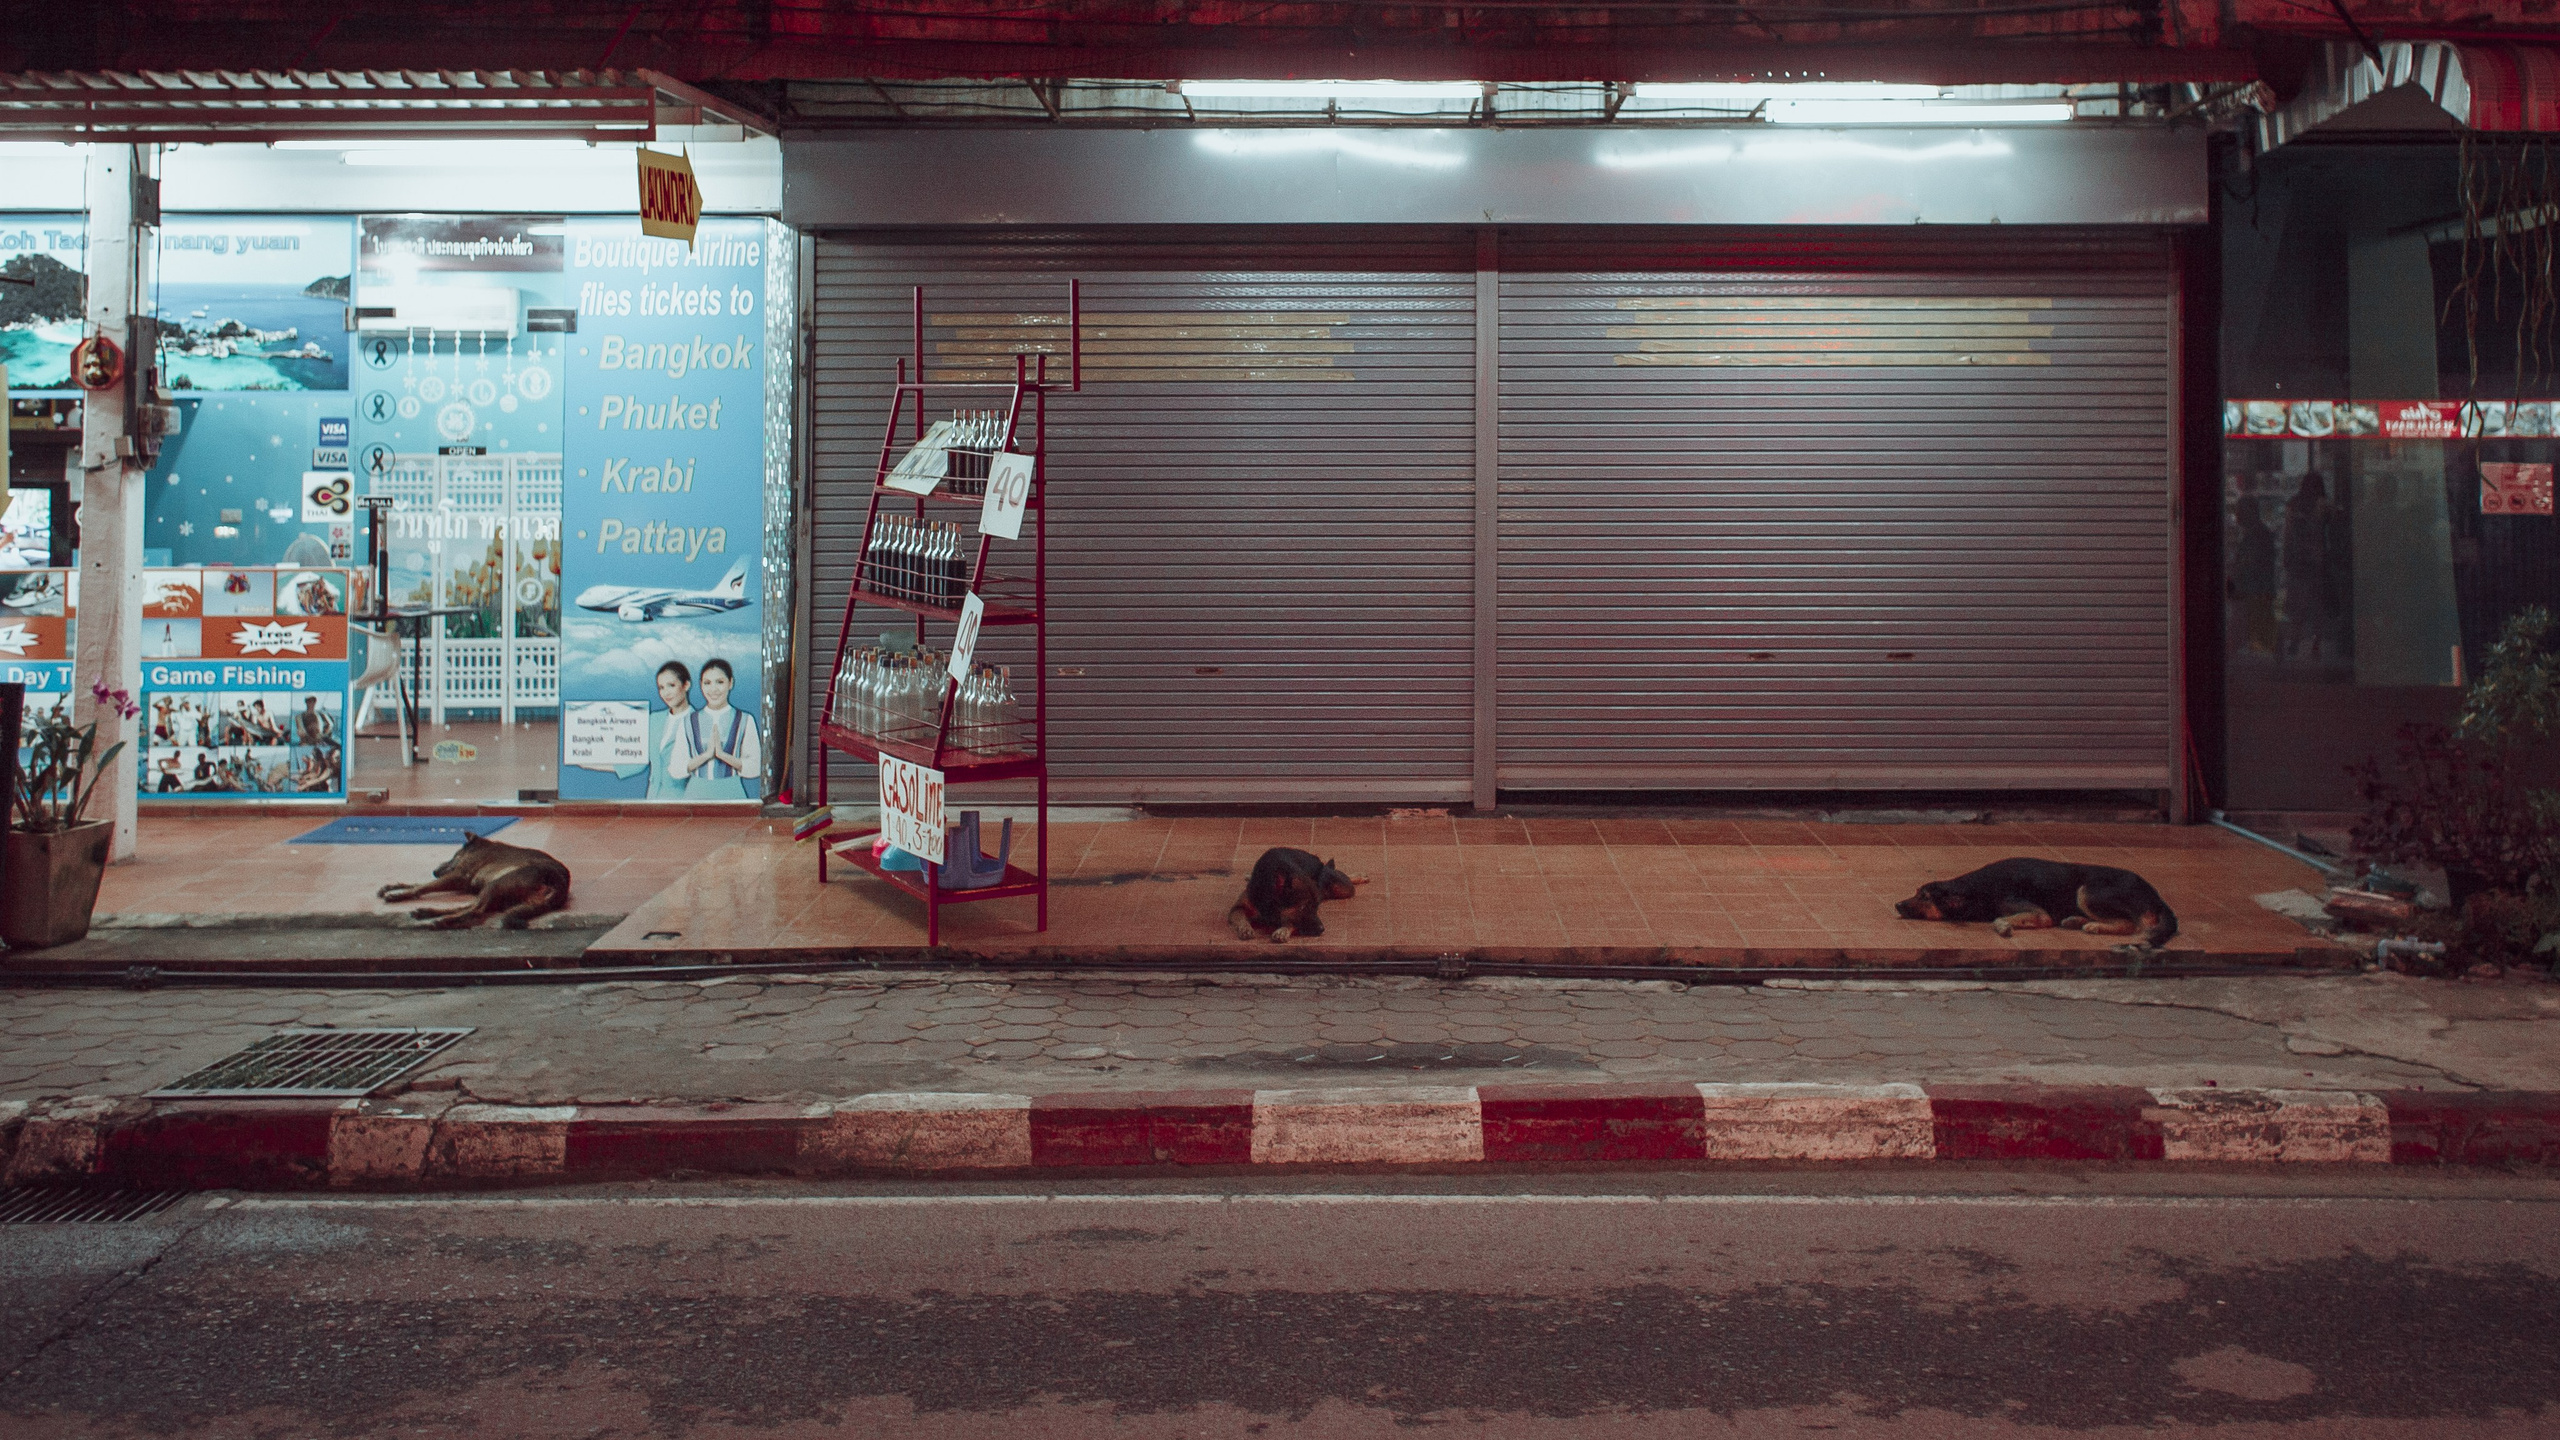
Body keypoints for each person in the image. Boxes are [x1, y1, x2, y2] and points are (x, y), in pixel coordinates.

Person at [679, 658, 760, 801]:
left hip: (731, 792)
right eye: (707, 683)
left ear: (730, 683)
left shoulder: (745, 720)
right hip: (695, 794)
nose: (713, 689)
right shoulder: (687, 721)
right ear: (701, 685)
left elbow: (754, 767)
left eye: (720, 682)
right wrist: (706, 755)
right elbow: (676, 768)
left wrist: (722, 755)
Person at [647, 660, 695, 800]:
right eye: (661, 687)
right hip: (652, 800)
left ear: (686, 685)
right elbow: (638, 759)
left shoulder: (699, 722)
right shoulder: (654, 719)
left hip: (684, 801)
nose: (665, 693)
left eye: (671, 685)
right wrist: (589, 761)